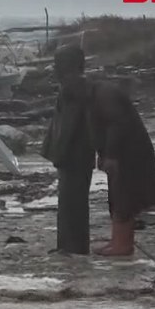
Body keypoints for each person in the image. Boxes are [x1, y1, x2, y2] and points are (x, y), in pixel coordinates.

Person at [87, 72, 155, 256]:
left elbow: (116, 124)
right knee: (117, 197)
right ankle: (117, 240)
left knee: (124, 198)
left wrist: (111, 154)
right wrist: (103, 153)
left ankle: (122, 245)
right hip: (122, 152)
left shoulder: (104, 95)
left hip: (127, 153)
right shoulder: (99, 94)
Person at [40, 44, 96, 254]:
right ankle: (72, 245)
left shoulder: (71, 89)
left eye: (58, 63)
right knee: (75, 202)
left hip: (73, 153)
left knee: (70, 202)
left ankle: (71, 246)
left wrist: (59, 152)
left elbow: (68, 124)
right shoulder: (81, 86)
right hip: (82, 152)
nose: (55, 67)